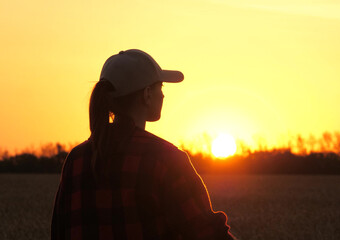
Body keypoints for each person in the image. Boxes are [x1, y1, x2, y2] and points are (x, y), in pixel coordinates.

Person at [51, 49, 236, 240]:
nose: (163, 95)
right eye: (160, 87)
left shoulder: (76, 159)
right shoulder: (165, 159)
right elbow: (206, 234)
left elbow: (59, 233)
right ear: (147, 94)